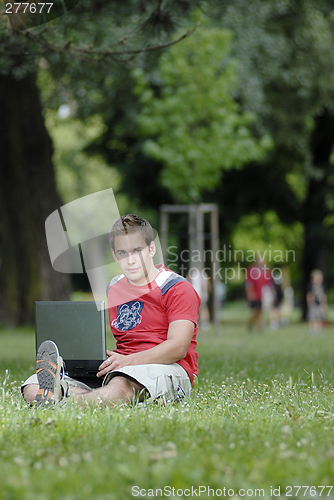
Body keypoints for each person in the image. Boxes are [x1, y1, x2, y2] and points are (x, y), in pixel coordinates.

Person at [22, 214, 201, 407]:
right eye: (123, 253)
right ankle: (85, 398)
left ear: (151, 249)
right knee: (32, 386)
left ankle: (66, 398)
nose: (130, 260)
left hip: (167, 367)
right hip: (120, 367)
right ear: (115, 255)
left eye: (137, 251)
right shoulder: (114, 287)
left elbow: (178, 347)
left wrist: (128, 362)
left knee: (119, 386)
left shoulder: (177, 287)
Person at [245, 256, 273, 331]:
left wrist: (271, 293)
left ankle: (253, 325)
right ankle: (258, 326)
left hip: (263, 295)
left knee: (259, 311)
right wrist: (249, 292)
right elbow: (248, 282)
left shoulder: (266, 271)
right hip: (255, 294)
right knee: (256, 311)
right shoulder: (252, 269)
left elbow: (269, 283)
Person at [306, 269, 327, 334]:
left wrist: (324, 304)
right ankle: (312, 329)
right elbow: (309, 295)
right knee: (312, 317)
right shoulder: (311, 286)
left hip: (319, 304)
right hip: (313, 304)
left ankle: (318, 329)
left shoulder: (321, 287)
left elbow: (323, 296)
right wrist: (309, 303)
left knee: (319, 317)